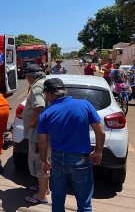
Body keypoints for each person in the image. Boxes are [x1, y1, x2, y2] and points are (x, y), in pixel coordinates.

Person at [37, 78, 105, 212]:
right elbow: (100, 132)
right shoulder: (84, 105)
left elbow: (42, 142)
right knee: (84, 202)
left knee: (57, 199)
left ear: (50, 94)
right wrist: (98, 151)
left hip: (57, 160)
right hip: (80, 160)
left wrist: (44, 160)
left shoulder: (45, 114)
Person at [22, 64, 50, 204]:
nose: (26, 78)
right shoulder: (44, 82)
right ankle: (45, 188)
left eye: (26, 76)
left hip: (38, 133)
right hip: (44, 131)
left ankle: (41, 195)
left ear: (31, 76)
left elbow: (40, 107)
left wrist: (32, 122)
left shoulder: (37, 86)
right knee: (44, 161)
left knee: (40, 162)